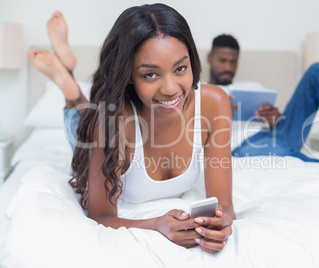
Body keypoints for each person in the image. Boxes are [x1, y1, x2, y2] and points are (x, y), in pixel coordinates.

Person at [27, 5, 235, 254]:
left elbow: (225, 207)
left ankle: (68, 78)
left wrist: (220, 225)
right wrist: (156, 225)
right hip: (107, 129)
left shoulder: (214, 103)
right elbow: (101, 217)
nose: (170, 88)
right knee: (82, 126)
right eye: (150, 75)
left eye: (180, 68)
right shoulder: (111, 122)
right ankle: (69, 87)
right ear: (128, 75)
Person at [207, 34, 319, 166]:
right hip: (244, 145)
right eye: (222, 60)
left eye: (233, 61)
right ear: (209, 58)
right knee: (278, 152)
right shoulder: (201, 91)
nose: (227, 67)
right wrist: (217, 110)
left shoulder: (253, 86)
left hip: (279, 132)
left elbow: (278, 118)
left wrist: (275, 117)